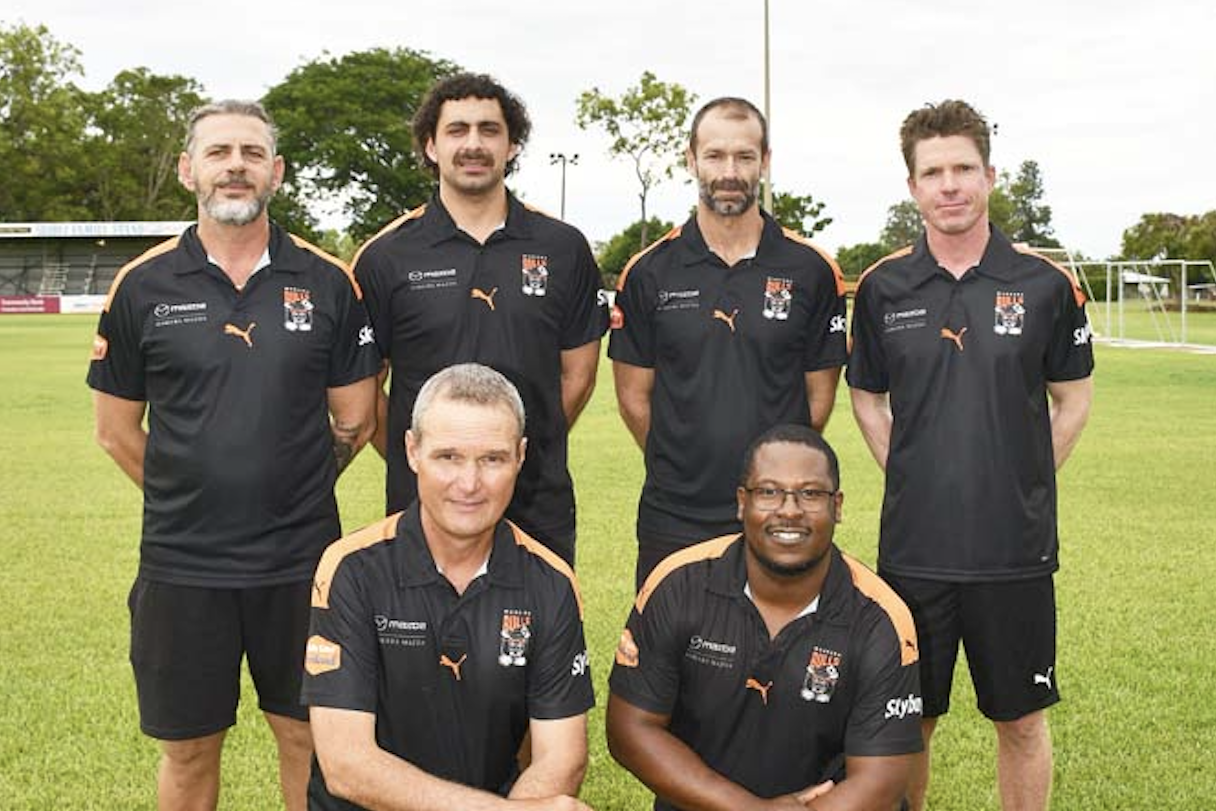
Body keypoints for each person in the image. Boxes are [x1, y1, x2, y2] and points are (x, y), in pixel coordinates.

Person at [87, 100, 380, 811]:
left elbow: (357, 417)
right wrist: (193, 491)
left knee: (306, 740)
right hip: (183, 565)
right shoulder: (144, 284)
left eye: (252, 152)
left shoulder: (327, 281)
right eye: (219, 152)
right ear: (190, 170)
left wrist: (289, 487)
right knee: (187, 751)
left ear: (275, 173)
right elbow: (117, 430)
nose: (236, 165)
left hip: (300, 563)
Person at [847, 99, 1094, 811]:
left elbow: (1072, 399)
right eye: (933, 172)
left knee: (1019, 718)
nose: (949, 185)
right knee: (909, 723)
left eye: (962, 168)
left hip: (1013, 552)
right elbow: (867, 398)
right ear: (913, 187)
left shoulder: (1043, 283)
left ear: (990, 175)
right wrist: (912, 472)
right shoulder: (884, 286)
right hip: (915, 550)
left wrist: (1020, 477)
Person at [302, 363, 594, 811]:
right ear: (412, 451)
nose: (469, 484)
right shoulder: (350, 570)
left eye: (492, 459)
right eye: (448, 457)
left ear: (520, 456)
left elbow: (563, 758)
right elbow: (347, 765)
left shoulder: (550, 583)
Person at [353, 73, 608, 568]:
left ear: (513, 146)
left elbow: (577, 376)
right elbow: (367, 395)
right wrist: (431, 461)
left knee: (533, 644)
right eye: (457, 130)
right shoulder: (384, 256)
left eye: (490, 130)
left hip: (538, 502)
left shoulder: (563, 247)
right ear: (431, 146)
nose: (474, 144)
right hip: (422, 507)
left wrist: (508, 457)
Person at [606, 424, 922, 811]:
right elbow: (630, 730)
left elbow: (881, 782)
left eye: (810, 494)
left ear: (837, 507)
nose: (789, 511)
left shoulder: (881, 618)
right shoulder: (678, 585)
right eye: (769, 492)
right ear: (742, 502)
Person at [609, 97, 848, 588]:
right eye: (715, 156)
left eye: (744, 157)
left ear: (765, 161)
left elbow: (817, 399)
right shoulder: (650, 271)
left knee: (780, 652)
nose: (730, 171)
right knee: (669, 655)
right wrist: (681, 461)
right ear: (691, 159)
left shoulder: (811, 270)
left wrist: (775, 472)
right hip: (673, 512)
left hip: (780, 511)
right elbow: (634, 397)